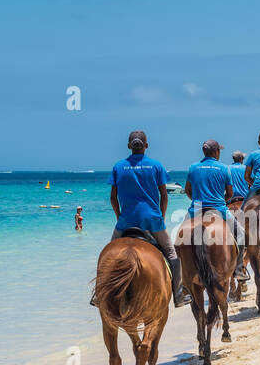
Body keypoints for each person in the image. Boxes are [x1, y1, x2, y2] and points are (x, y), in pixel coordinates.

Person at [102, 130, 189, 306]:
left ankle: (99, 296)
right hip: (152, 220)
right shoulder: (156, 166)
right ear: (146, 146)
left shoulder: (118, 167)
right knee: (171, 252)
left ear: (129, 146)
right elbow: (164, 196)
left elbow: (113, 197)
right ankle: (178, 295)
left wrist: (120, 217)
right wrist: (161, 217)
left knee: (108, 256)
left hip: (126, 221)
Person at [184, 139, 247, 279]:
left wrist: (197, 201)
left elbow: (188, 190)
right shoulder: (224, 168)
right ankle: (238, 269)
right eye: (219, 150)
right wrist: (219, 201)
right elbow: (230, 194)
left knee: (180, 238)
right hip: (219, 209)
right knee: (241, 233)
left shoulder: (193, 167)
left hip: (196, 210)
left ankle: (183, 283)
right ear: (216, 152)